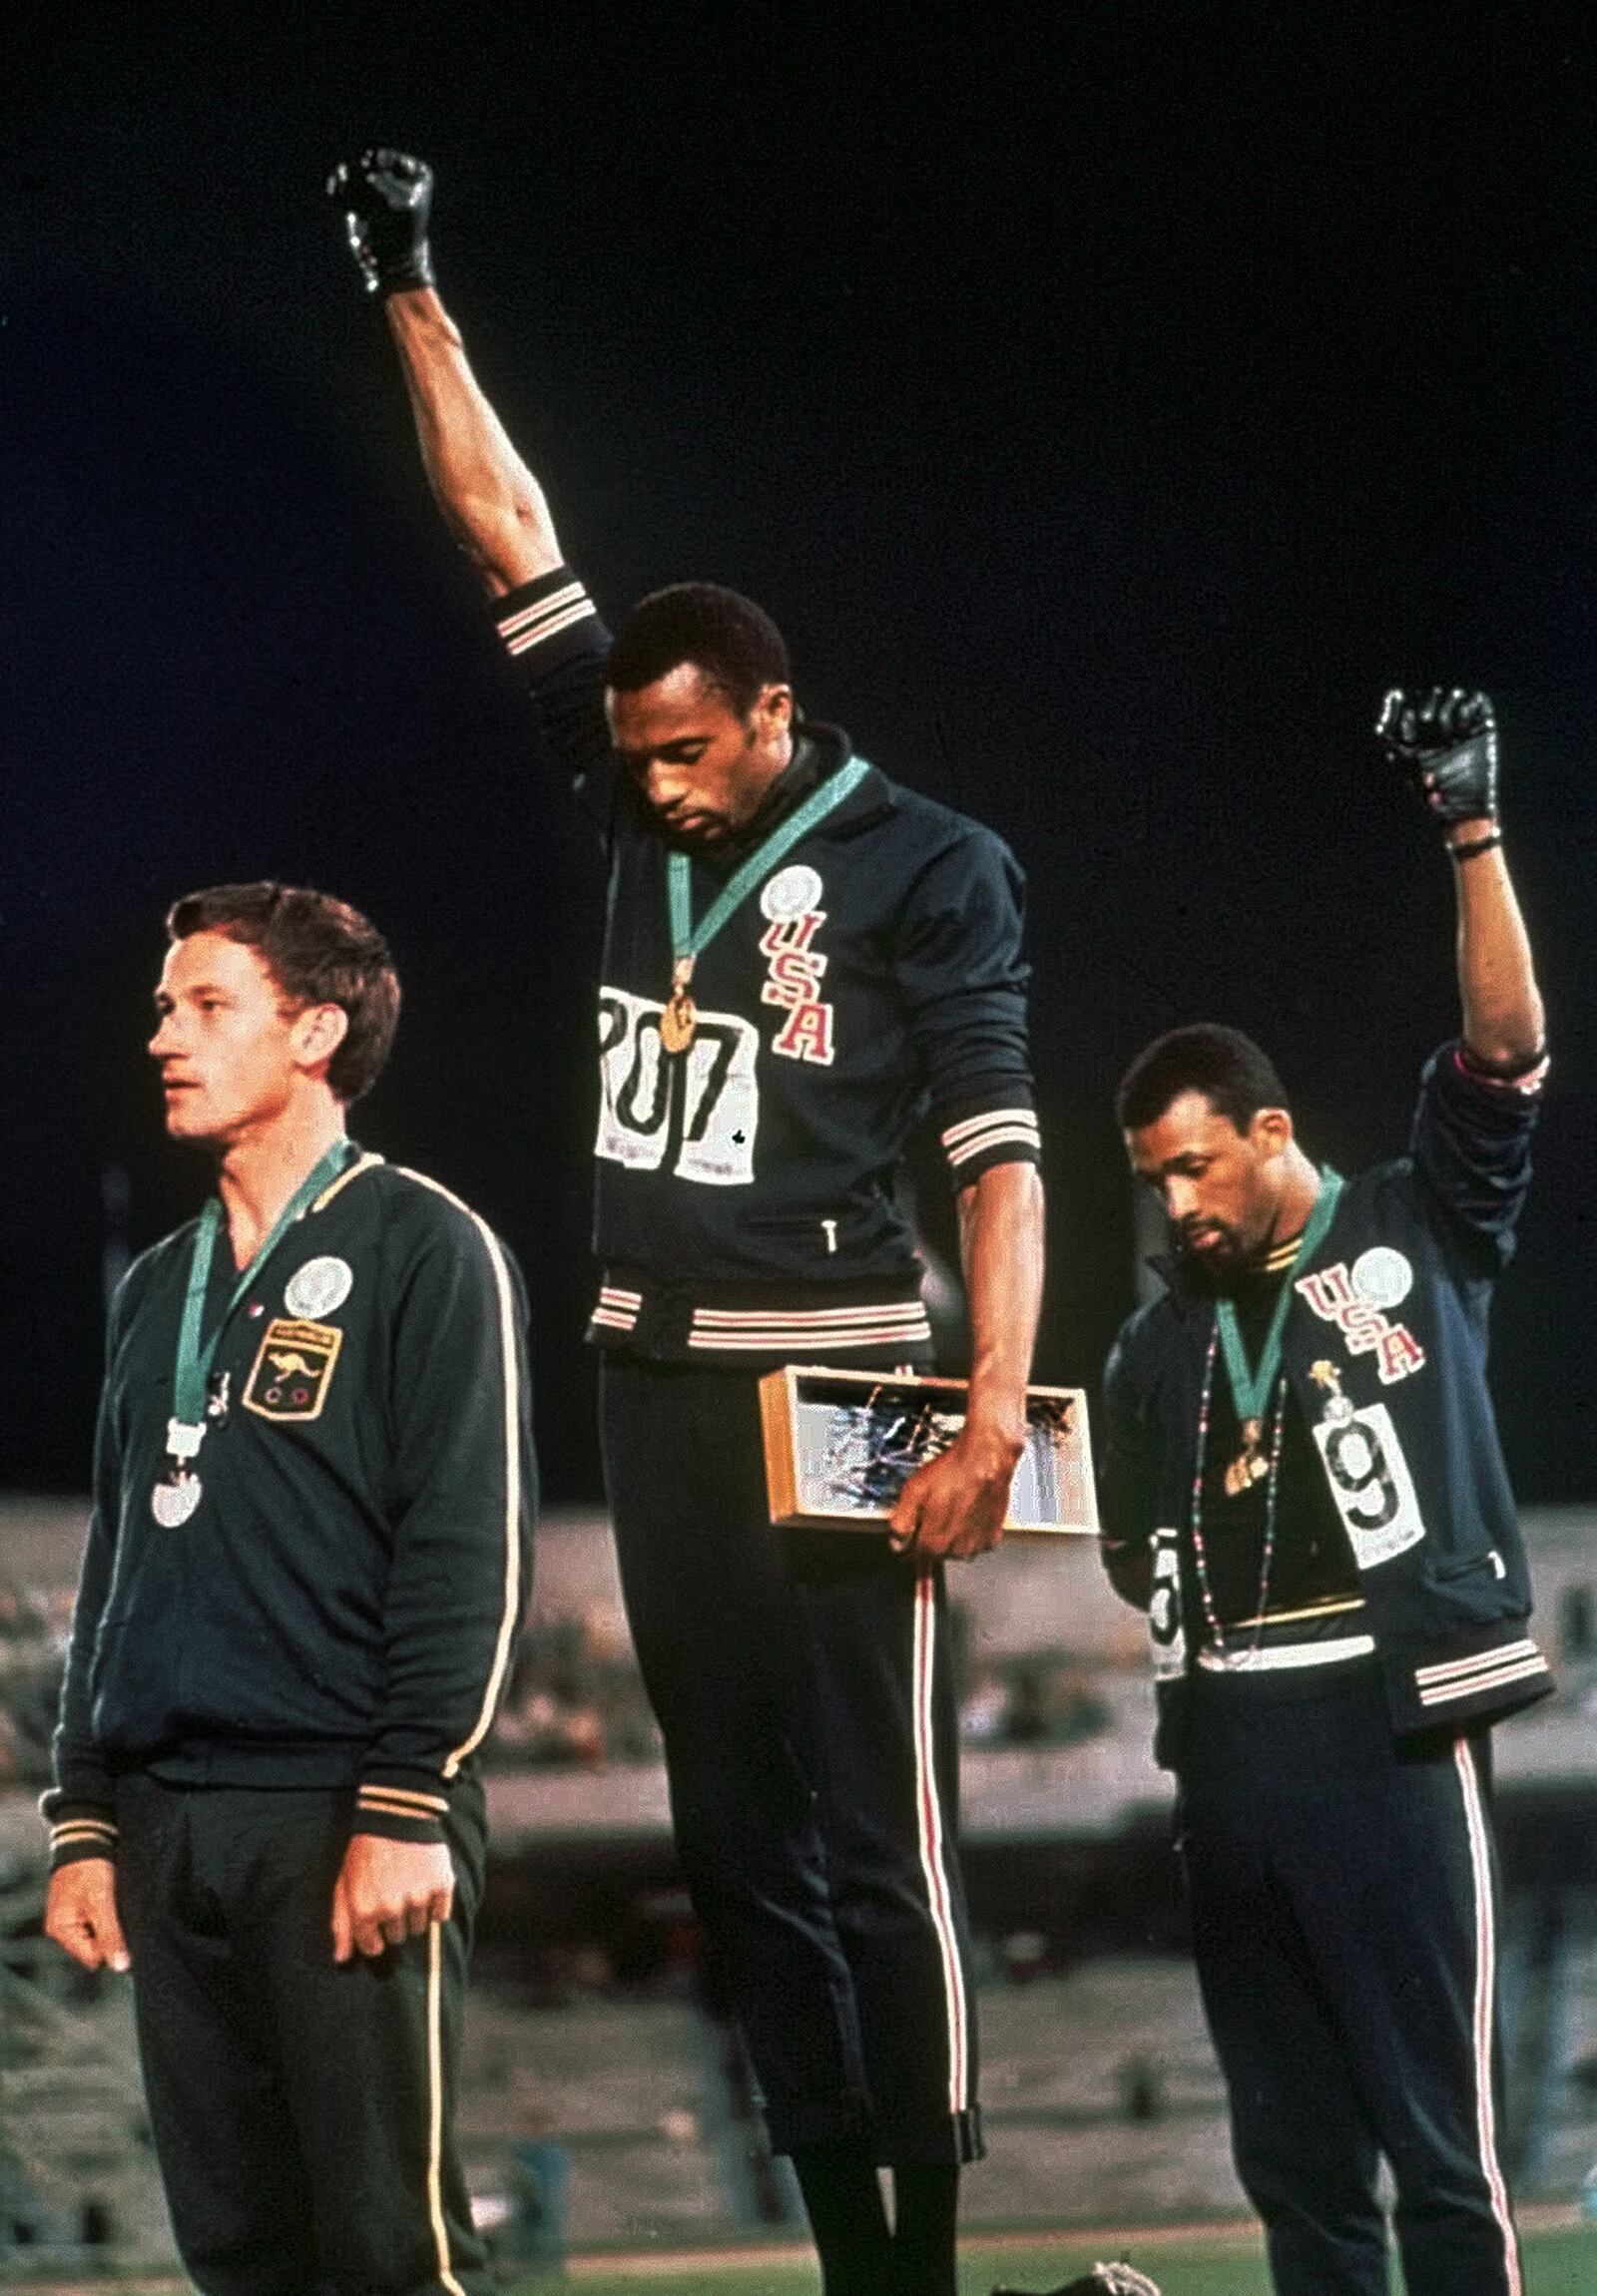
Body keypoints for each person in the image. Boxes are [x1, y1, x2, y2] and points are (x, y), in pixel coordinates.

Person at [327, 151, 1046, 2296]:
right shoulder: (633, 768)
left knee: (874, 1841)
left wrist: (989, 1405)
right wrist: (409, 287)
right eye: (624, 758)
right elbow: (510, 536)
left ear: (765, 714)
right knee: (738, 1852)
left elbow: (1001, 1154)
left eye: (676, 756)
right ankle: (843, 2256)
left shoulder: (932, 865)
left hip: (834, 1382)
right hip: (650, 1377)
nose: (641, 789)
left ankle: (923, 2256)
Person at [1097, 689, 1550, 2296]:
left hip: (1385, 1723)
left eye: (1196, 1165)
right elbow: (1118, 1546)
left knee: (1440, 2153)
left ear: (1272, 1132)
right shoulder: (1155, 1346)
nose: (1175, 1201)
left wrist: (1471, 826)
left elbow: (1504, 1054)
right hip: (1223, 1746)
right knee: (1294, 2169)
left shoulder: (1411, 1229)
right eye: (1152, 1176)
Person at [43, 882, 535, 2296]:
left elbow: (464, 1547)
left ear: (316, 1029)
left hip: (340, 1812)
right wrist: (85, 1816)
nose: (164, 1038)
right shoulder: (156, 1289)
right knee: (242, 2256)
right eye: (161, 1007)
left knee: (394, 2253)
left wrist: (406, 1798)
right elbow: (117, 1560)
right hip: (163, 1820)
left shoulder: (425, 1247)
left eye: (207, 1006)